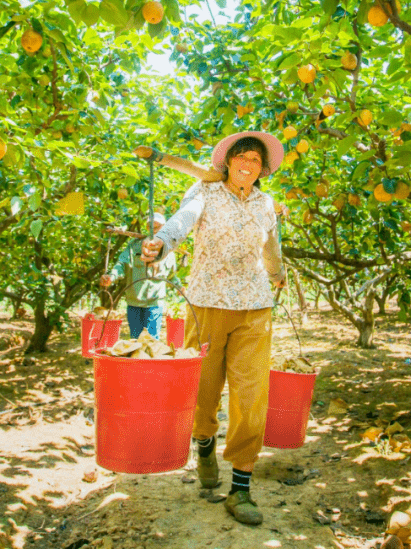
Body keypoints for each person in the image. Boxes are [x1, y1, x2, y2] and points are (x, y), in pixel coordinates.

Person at [141, 132, 285, 526]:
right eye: (242, 156)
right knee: (203, 393)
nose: (248, 163)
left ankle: (241, 487)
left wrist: (278, 272)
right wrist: (162, 243)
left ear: (262, 169)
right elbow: (182, 221)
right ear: (227, 162)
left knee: (252, 397)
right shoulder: (205, 190)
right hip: (207, 303)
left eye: (256, 159)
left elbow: (271, 244)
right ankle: (204, 442)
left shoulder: (266, 203)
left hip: (255, 307)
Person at [100, 212, 176, 340]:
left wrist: (180, 287)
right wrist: (111, 277)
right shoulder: (134, 246)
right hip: (134, 301)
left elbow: (172, 276)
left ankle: (150, 360)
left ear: (164, 227)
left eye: (157, 226)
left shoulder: (169, 251)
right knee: (135, 339)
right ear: (147, 228)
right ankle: (136, 360)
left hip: (155, 302)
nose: (154, 229)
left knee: (151, 340)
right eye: (151, 226)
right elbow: (121, 264)